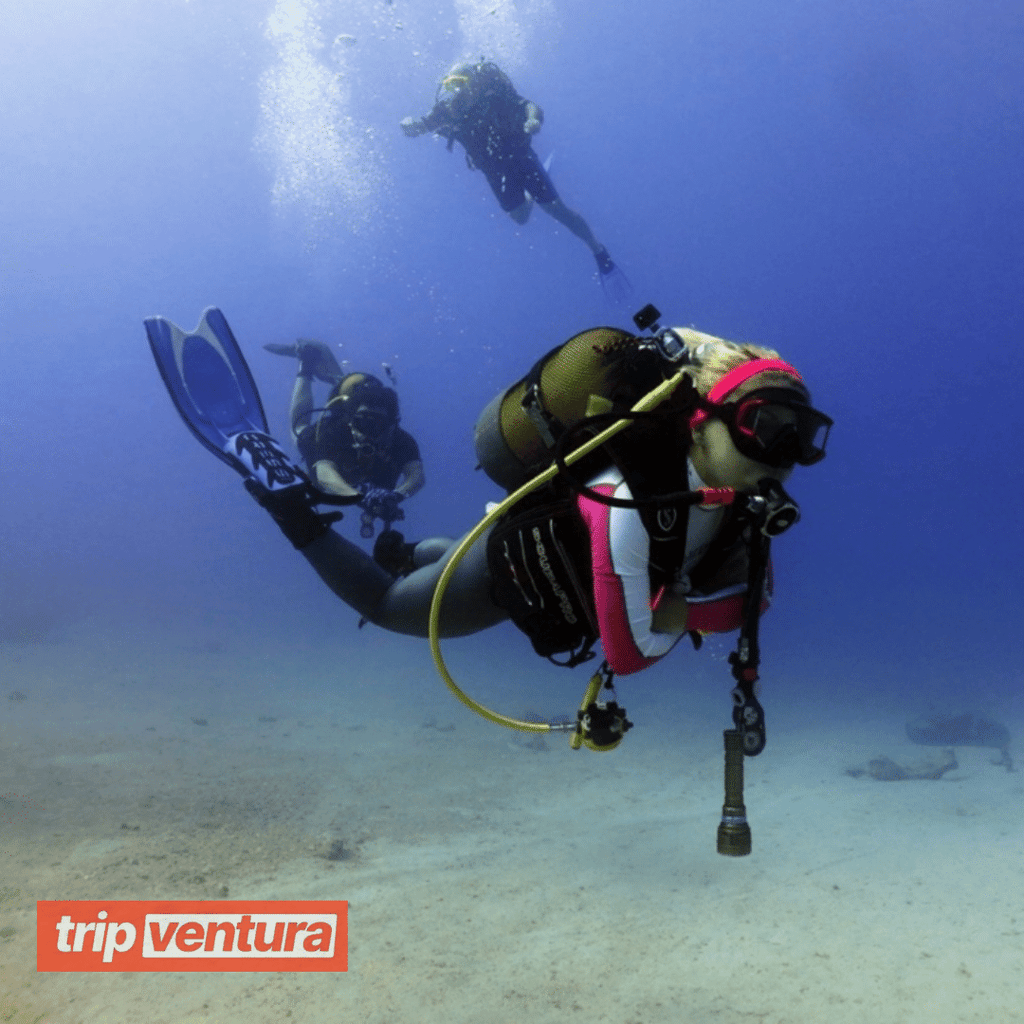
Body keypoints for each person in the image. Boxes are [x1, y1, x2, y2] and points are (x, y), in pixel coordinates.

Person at [400, 60, 625, 288]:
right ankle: (529, 197)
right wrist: (408, 124)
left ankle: (598, 250)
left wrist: (533, 120)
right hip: (493, 171)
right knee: (520, 218)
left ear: (475, 82)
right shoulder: (448, 110)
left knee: (556, 210)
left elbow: (530, 106)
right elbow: (420, 126)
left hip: (520, 157)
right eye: (450, 86)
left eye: (460, 83)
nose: (457, 91)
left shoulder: (495, 94)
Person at [265, 339, 425, 539]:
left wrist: (396, 495)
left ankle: (345, 383)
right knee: (298, 429)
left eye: (378, 425)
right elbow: (324, 473)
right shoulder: (333, 431)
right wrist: (359, 497)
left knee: (352, 396)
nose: (369, 432)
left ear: (391, 426)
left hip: (359, 466)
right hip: (336, 441)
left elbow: (416, 476)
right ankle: (306, 367)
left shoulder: (401, 441)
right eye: (362, 423)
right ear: (350, 422)